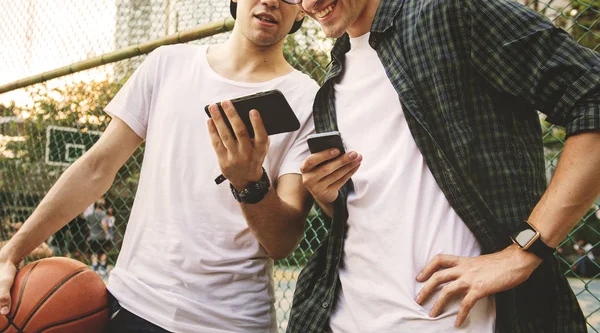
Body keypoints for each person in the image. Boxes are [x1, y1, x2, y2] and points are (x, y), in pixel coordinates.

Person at [0, 0, 318, 332]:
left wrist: (250, 183)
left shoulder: (308, 99)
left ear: (302, 10)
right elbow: (97, 167)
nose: (271, 0)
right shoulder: (167, 64)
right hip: (136, 304)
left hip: (232, 322)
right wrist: (12, 252)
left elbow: (282, 243)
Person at [288, 0, 600, 332]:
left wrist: (523, 250)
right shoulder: (330, 84)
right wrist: (327, 195)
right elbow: (375, 210)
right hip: (343, 319)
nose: (309, 3)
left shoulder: (450, 11)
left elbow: (591, 94)